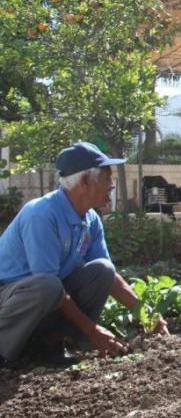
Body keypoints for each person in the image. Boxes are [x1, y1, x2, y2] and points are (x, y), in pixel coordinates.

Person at [0, 142, 168, 368]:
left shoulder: (90, 219)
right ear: (85, 182)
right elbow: (49, 286)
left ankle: (50, 342)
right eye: (107, 178)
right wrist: (92, 330)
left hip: (43, 295)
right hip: (9, 295)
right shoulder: (40, 214)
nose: (111, 185)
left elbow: (111, 279)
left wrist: (147, 314)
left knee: (102, 271)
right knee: (48, 285)